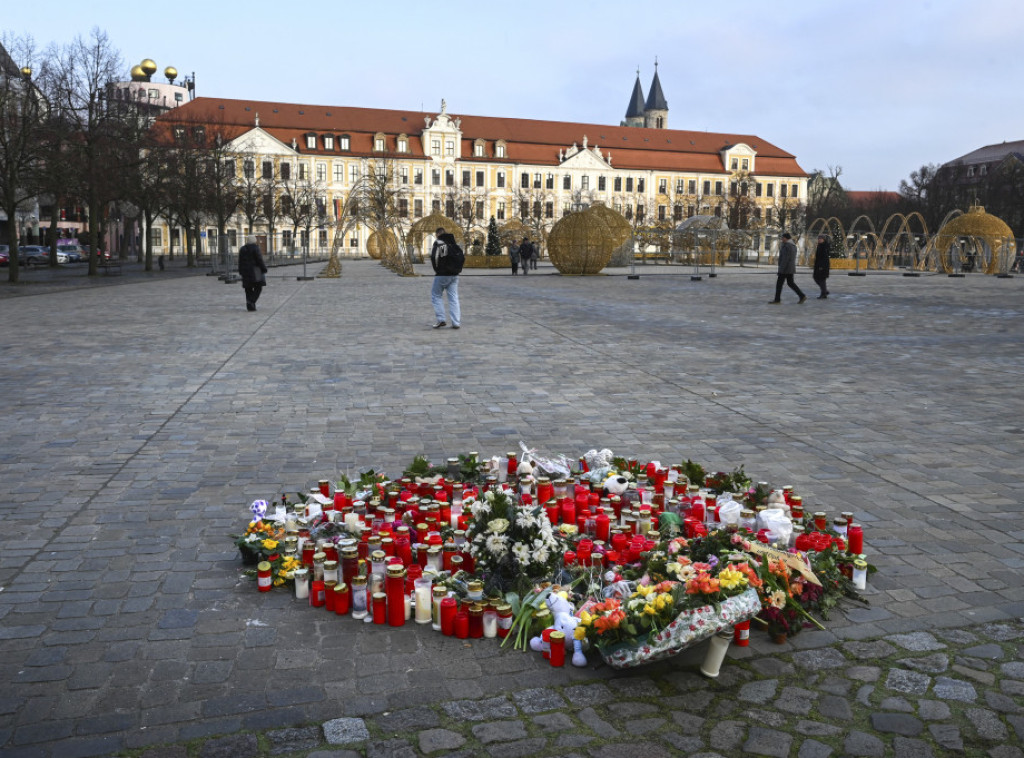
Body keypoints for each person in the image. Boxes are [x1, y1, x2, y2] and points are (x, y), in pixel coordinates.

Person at [430, 227, 462, 329]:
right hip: (455, 274)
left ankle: (441, 319)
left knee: (436, 295)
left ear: (437, 234)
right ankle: (456, 322)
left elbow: (435, 258)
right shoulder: (452, 243)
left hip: (443, 274)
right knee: (453, 298)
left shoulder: (440, 243)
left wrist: (438, 270)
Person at [770, 232, 806, 304]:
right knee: (790, 283)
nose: (782, 239)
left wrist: (781, 269)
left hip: (785, 269)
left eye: (783, 238)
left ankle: (777, 300)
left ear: (786, 238)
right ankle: (802, 296)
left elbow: (786, 259)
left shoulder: (788, 246)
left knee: (779, 284)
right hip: (789, 268)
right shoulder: (791, 245)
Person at [238, 235, 268, 311]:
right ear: (254, 241)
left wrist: (240, 271)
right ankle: (251, 302)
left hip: (245, 271)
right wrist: (264, 268)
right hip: (255, 272)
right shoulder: (255, 248)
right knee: (258, 287)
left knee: (248, 289)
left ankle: (250, 306)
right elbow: (259, 260)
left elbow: (240, 261)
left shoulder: (242, 249)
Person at [813, 233, 831, 299]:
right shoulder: (820, 245)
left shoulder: (824, 246)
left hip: (822, 265)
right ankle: (824, 292)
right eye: (818, 239)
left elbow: (824, 257)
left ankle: (823, 293)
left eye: (820, 239)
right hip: (819, 265)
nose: (819, 240)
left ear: (824, 239)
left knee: (821, 279)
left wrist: (821, 266)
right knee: (818, 278)